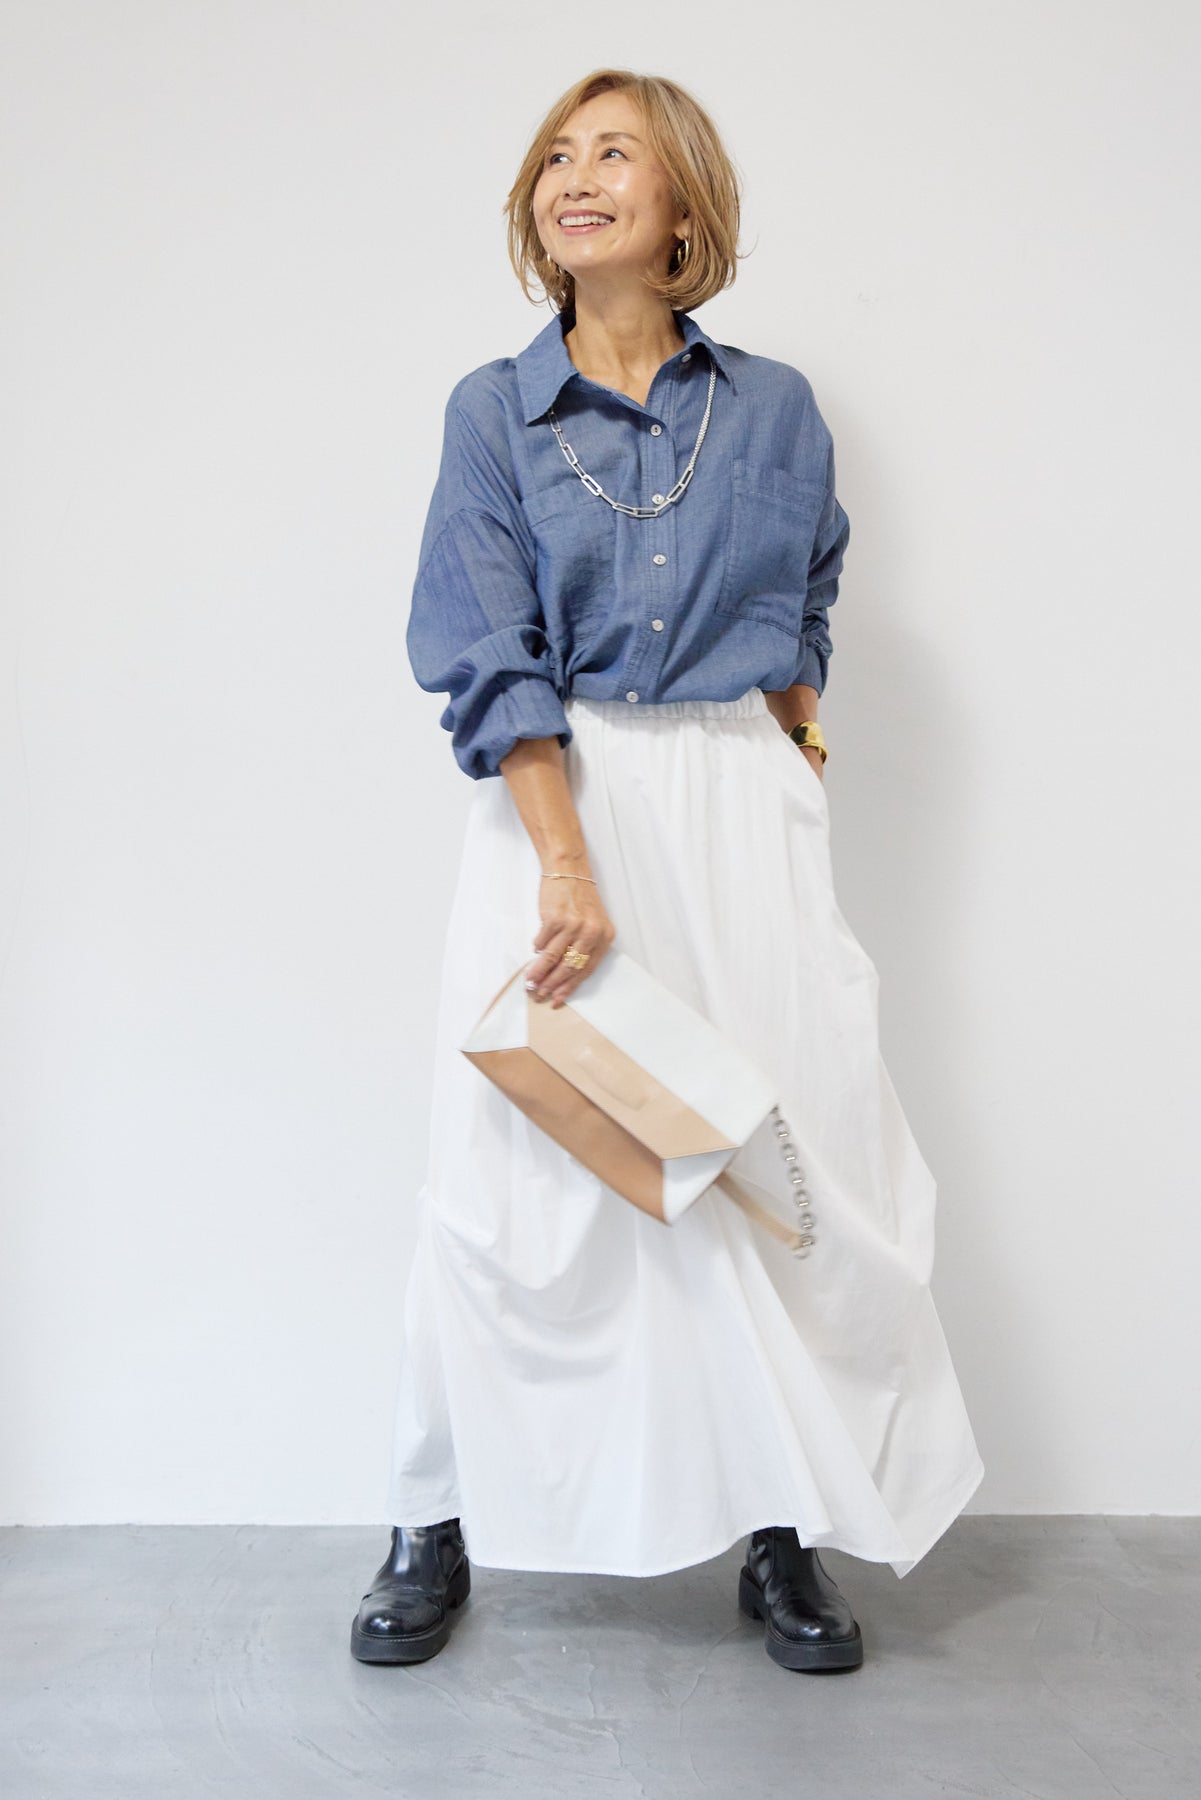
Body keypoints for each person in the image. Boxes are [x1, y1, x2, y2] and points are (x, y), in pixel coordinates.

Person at [351, 69, 984, 1674]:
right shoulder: (490, 411)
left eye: (612, 153)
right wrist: (565, 859)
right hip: (562, 797)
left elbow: (810, 590)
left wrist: (790, 751)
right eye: (553, 158)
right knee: (514, 1179)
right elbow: (482, 640)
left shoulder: (773, 409)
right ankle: (435, 1514)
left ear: (682, 203)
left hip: (737, 808)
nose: (573, 177)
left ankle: (778, 1525)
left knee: (763, 1160)